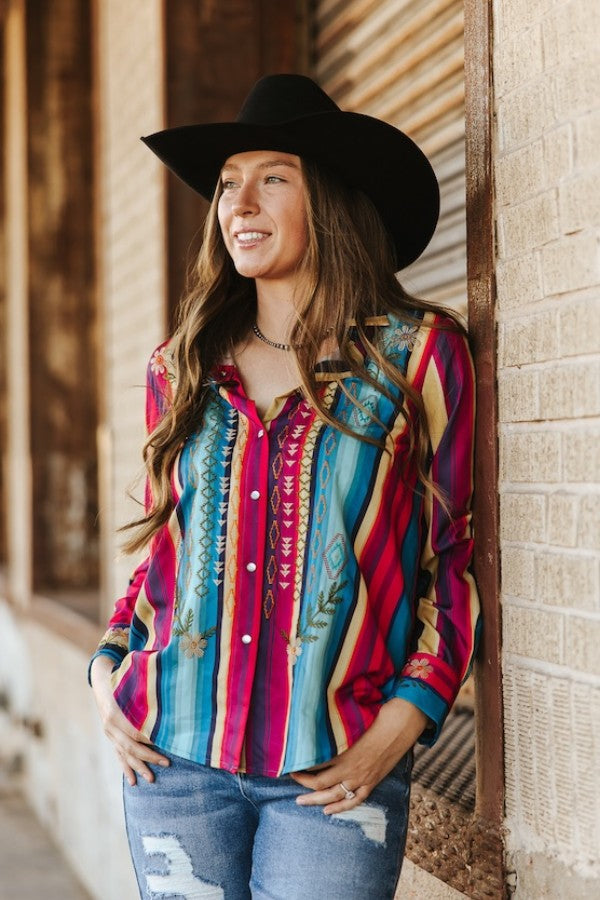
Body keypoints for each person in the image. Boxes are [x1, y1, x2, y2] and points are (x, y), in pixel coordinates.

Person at [89, 74, 479, 900]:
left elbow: (458, 561)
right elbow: (167, 550)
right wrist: (106, 673)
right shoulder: (182, 365)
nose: (239, 204)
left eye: (273, 178)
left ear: (329, 196)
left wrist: (400, 728)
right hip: (173, 761)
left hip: (336, 771)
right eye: (228, 185)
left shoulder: (417, 357)